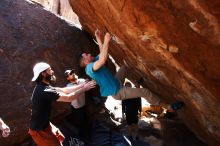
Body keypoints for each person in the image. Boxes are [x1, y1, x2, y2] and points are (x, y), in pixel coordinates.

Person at [79, 29, 183, 112]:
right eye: (86, 55)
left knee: (125, 67)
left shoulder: (92, 63)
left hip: (116, 82)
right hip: (117, 92)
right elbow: (102, 60)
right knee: (145, 92)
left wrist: (98, 38)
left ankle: (136, 83)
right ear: (85, 62)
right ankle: (168, 107)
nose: (88, 54)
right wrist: (107, 41)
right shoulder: (89, 69)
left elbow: (102, 53)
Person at [29, 62, 96, 146]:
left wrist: (82, 85)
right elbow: (69, 98)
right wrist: (84, 89)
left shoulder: (43, 86)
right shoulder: (44, 90)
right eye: (49, 70)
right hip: (40, 131)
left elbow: (64, 90)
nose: (52, 71)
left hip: (45, 125)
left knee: (60, 139)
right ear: (43, 73)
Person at [64, 69, 88, 138]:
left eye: (73, 72)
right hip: (76, 109)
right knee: (80, 124)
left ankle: (88, 134)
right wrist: (83, 85)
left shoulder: (81, 80)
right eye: (70, 74)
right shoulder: (68, 86)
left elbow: (87, 82)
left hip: (83, 105)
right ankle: (83, 138)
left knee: (86, 121)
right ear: (68, 78)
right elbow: (75, 90)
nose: (73, 74)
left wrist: (86, 82)